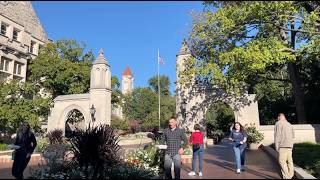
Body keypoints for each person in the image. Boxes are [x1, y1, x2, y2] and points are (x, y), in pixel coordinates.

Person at [274, 113, 295, 179]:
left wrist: (276, 146)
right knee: (290, 161)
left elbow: (277, 136)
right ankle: (291, 175)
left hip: (282, 145)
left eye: (278, 118)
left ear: (279, 117)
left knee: (282, 161)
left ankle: (287, 176)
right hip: (290, 145)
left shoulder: (278, 123)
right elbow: (293, 135)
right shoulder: (289, 124)